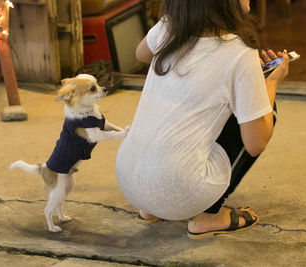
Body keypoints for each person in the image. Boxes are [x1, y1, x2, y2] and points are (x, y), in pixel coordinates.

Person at [115, 0, 289, 239]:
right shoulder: (239, 53)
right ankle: (207, 216)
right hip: (180, 191)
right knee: (263, 111)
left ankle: (150, 210)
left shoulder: (169, 27)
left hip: (129, 181)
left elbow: (141, 54)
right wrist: (268, 83)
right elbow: (256, 143)